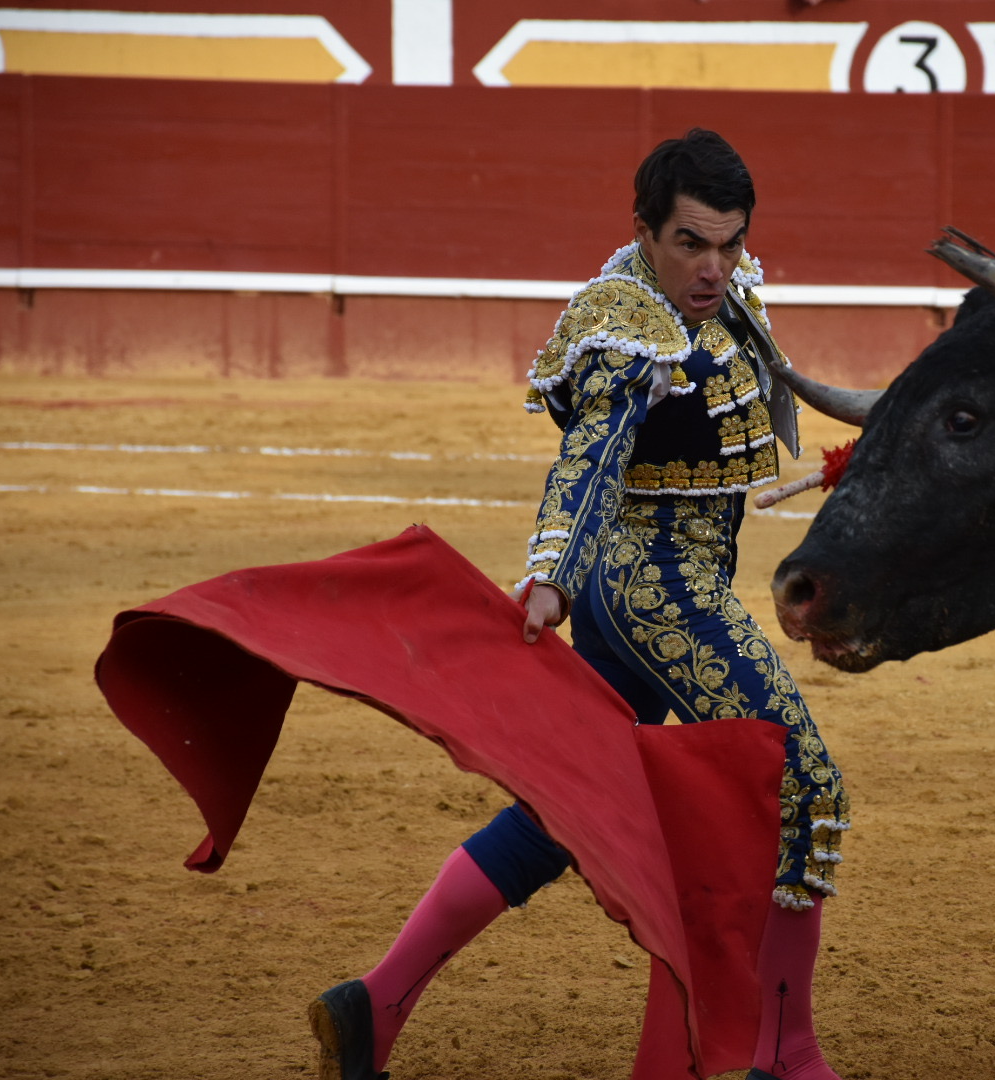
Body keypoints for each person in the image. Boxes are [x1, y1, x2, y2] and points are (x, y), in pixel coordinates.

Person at [305, 129, 850, 1080]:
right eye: (691, 243)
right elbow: (591, 455)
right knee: (801, 787)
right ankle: (783, 1053)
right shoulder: (623, 321)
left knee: (570, 808)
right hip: (652, 589)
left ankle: (375, 1004)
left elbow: (779, 384)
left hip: (651, 590)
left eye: (729, 244)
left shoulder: (723, 289)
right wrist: (550, 570)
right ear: (643, 230)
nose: (715, 268)